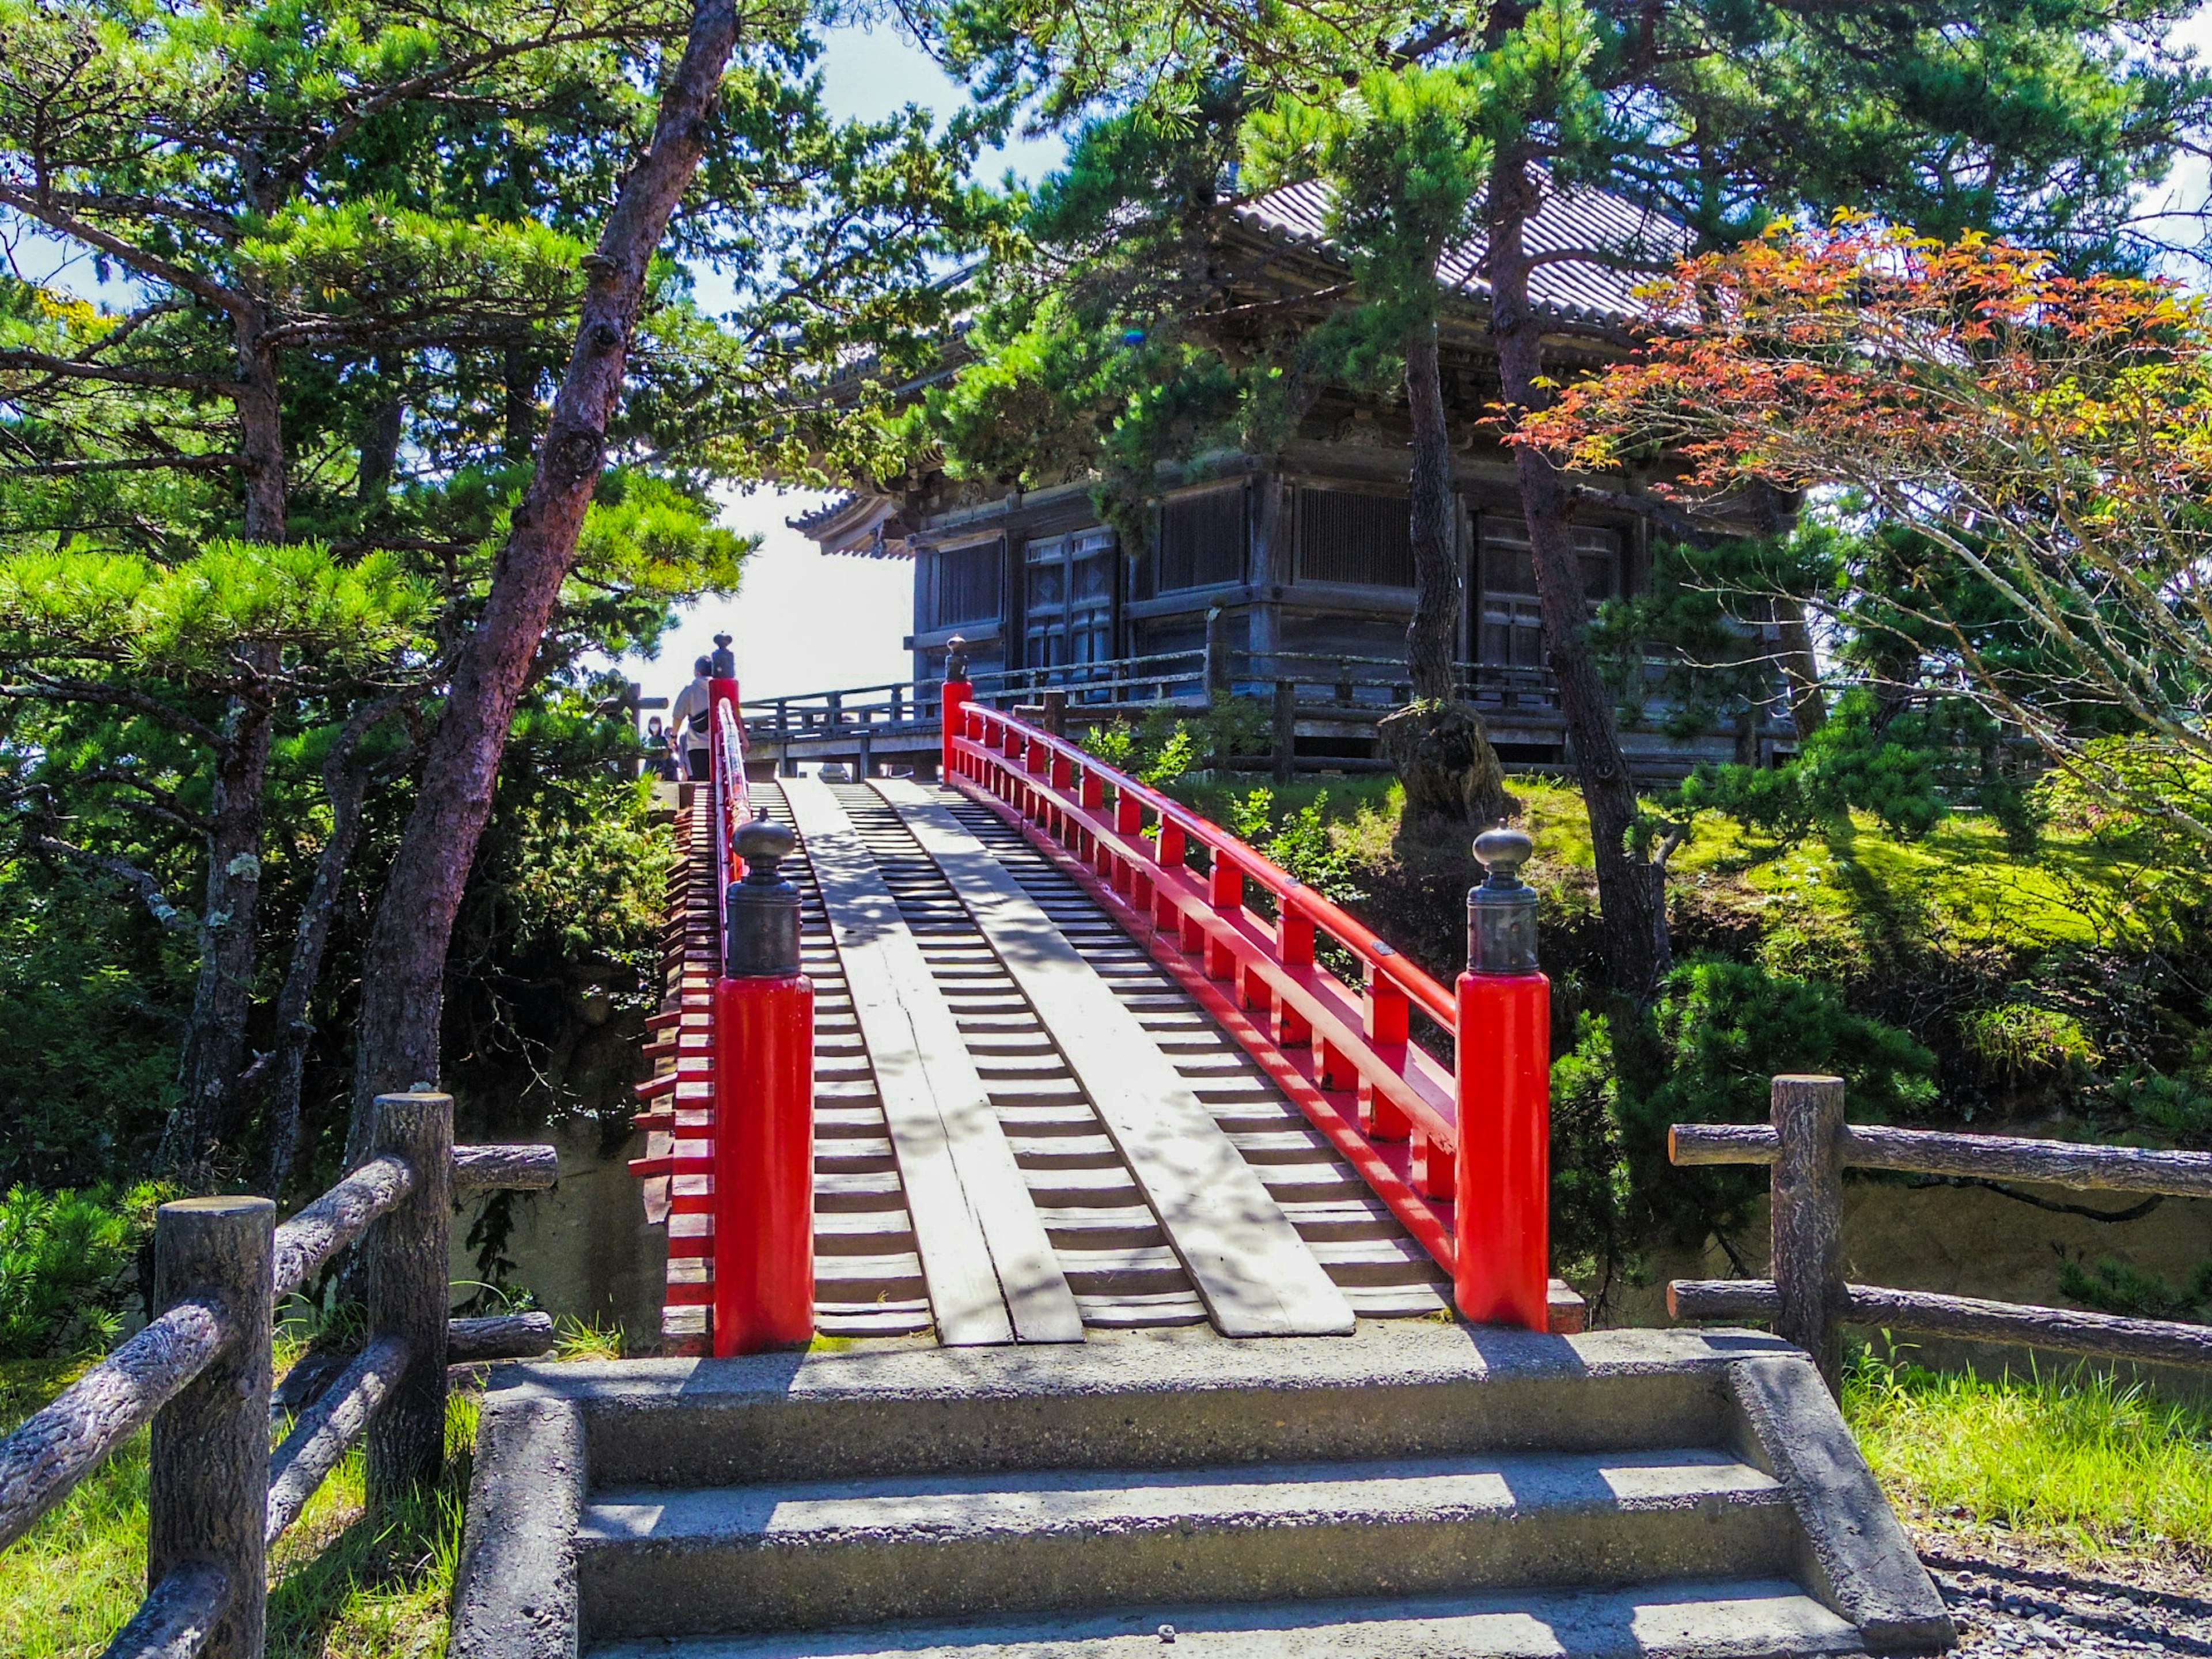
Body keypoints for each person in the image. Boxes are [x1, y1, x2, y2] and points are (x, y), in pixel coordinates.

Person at [668, 656, 715, 779]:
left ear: (697, 672)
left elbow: (678, 716)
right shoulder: (719, 689)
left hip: (697, 745)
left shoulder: (690, 690)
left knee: (702, 783)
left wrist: (674, 736)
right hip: (717, 744)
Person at [644, 715, 680, 781]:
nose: (654, 725)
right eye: (652, 723)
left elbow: (664, 757)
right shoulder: (649, 740)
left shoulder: (663, 740)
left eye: (656, 723)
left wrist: (660, 771)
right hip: (650, 769)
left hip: (663, 772)